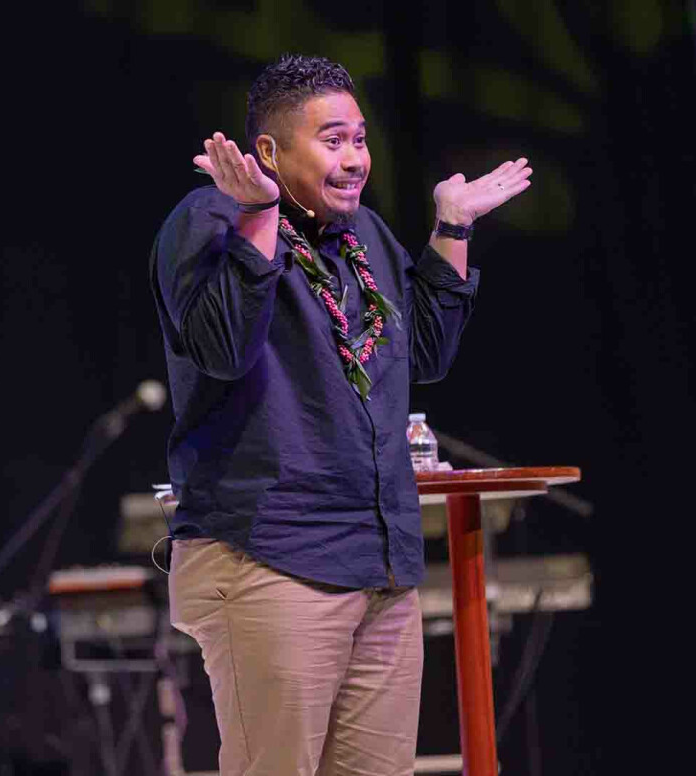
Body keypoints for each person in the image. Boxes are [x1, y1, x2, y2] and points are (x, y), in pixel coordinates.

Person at [150, 54, 532, 776]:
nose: (355, 158)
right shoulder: (209, 219)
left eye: (360, 139)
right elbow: (224, 349)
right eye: (332, 141)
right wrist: (259, 214)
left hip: (376, 565)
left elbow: (422, 354)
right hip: (272, 557)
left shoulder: (364, 238)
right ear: (269, 151)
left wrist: (452, 229)